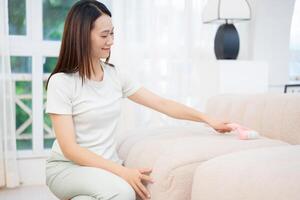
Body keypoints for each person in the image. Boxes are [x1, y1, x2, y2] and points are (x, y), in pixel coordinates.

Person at [45, 1, 232, 200]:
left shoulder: (115, 77)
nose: (110, 41)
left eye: (112, 33)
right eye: (103, 35)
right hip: (68, 169)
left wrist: (208, 119)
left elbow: (162, 104)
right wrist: (121, 171)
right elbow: (70, 149)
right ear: (81, 36)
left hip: (103, 169)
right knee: (123, 191)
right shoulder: (62, 82)